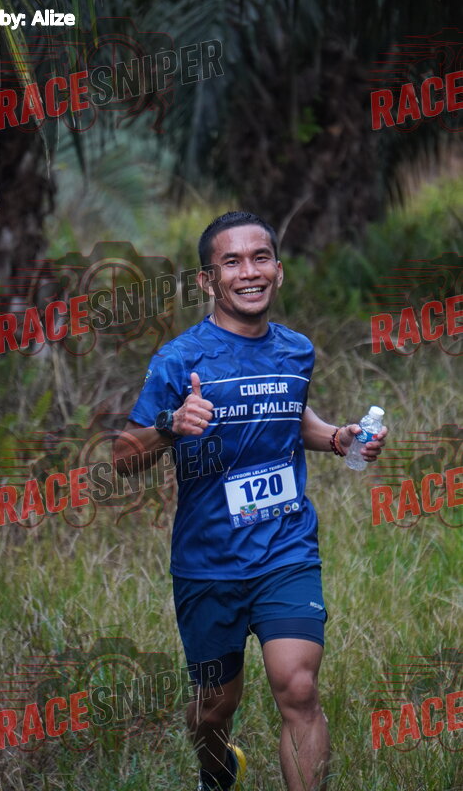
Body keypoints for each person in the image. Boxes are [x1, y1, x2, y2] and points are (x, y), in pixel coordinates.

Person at [113, 211, 388, 791]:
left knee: (299, 688)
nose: (249, 272)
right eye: (231, 262)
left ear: (279, 271)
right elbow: (122, 457)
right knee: (214, 708)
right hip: (208, 562)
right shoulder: (179, 359)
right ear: (207, 280)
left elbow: (291, 415)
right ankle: (217, 771)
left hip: (286, 549)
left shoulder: (296, 350)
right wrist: (170, 426)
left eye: (260, 258)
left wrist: (337, 439)